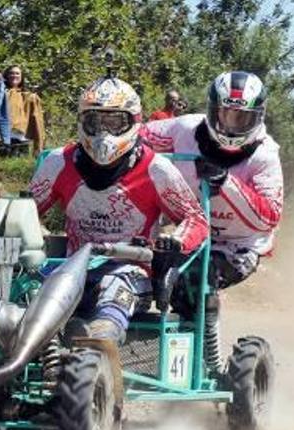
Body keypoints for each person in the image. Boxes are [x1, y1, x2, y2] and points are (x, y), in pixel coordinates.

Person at [29, 76, 208, 343]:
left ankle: (98, 343)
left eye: (114, 122)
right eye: (95, 121)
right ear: (82, 122)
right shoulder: (58, 162)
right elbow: (25, 210)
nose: (104, 133)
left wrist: (177, 241)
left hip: (131, 269)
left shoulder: (156, 169)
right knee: (24, 291)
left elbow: (196, 219)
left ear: (133, 123)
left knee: (114, 292)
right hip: (70, 268)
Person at [142, 71, 283, 372]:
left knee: (194, 279)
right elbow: (134, 135)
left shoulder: (264, 155)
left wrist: (228, 183)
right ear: (211, 110)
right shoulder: (184, 128)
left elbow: (269, 216)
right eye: (225, 115)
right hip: (189, 232)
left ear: (257, 117)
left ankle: (212, 367)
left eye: (241, 118)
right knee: (137, 267)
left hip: (238, 246)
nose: (231, 125)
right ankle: (147, 356)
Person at [3, 65, 46, 155]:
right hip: (4, 135)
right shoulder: (0, 93)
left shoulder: (29, 96)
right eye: (11, 73)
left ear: (22, 77)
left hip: (22, 137)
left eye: (17, 73)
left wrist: (38, 145)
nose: (14, 75)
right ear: (6, 76)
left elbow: (37, 121)